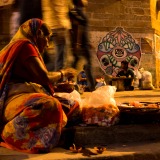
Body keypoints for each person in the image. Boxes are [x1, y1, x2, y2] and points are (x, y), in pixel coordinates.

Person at [0, 18, 81, 153]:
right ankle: (9, 132)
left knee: (73, 105)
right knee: (50, 104)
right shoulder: (25, 46)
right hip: (12, 99)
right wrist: (64, 72)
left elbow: (36, 81)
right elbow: (43, 76)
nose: (48, 45)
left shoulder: (28, 47)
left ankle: (51, 130)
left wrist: (58, 88)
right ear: (38, 33)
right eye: (47, 39)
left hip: (25, 95)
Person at [69, 0, 95, 91]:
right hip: (82, 45)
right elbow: (78, 28)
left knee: (76, 65)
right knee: (86, 66)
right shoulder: (78, 13)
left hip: (84, 44)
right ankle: (92, 87)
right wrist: (77, 44)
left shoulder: (77, 13)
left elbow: (82, 30)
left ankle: (71, 84)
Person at [41, 0, 73, 72]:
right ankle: (58, 80)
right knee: (61, 60)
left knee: (45, 56)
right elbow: (69, 7)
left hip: (47, 25)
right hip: (59, 26)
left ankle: (41, 76)